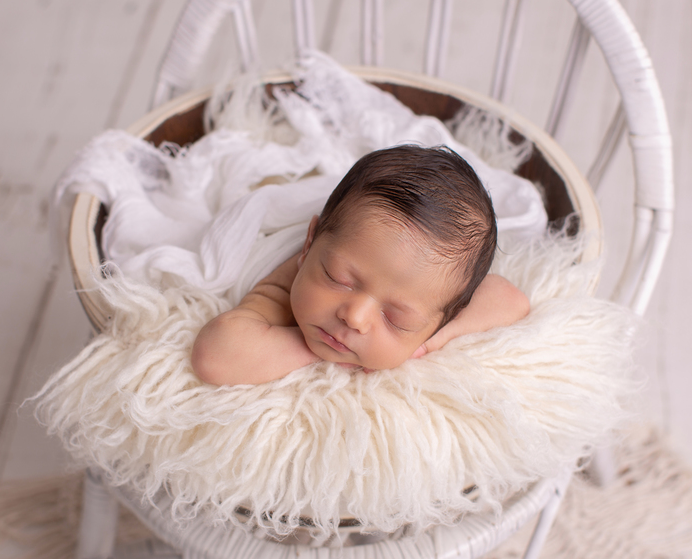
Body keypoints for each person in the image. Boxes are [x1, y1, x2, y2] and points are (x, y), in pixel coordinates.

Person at [191, 145, 531, 386]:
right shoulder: (288, 280)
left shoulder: (431, 295)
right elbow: (214, 357)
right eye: (339, 279)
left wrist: (426, 343)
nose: (354, 317)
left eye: (397, 319)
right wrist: (327, 354)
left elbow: (510, 299)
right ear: (309, 245)